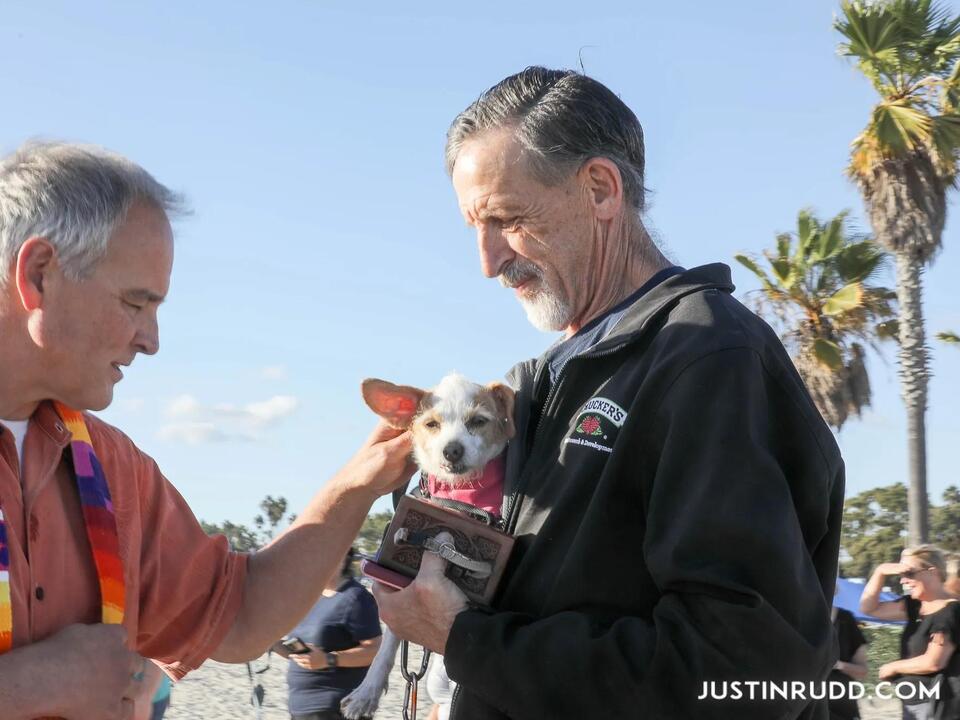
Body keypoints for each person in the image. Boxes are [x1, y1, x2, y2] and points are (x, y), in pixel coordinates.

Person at [372, 67, 845, 719]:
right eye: (473, 229)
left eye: (505, 220)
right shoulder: (530, 386)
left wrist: (467, 640)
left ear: (600, 189)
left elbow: (744, 671)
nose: (486, 261)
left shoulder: (706, 356)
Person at [0, 142, 414, 719]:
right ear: (39, 274)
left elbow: (238, 616)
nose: (151, 340)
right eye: (134, 303)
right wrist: (32, 686)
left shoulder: (111, 468)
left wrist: (361, 481)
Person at [272, 548, 382, 720]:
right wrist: (269, 644)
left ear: (343, 558)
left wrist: (329, 659)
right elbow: (301, 656)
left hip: (336, 708)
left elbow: (375, 651)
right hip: (300, 708)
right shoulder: (309, 598)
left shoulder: (356, 598)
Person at [860, 546, 960, 720]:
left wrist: (892, 667)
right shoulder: (915, 606)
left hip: (936, 706)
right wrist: (880, 572)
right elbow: (868, 608)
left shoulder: (950, 611)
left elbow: (933, 662)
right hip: (914, 703)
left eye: (909, 573)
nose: (903, 581)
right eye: (901, 575)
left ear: (932, 572)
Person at [829, 585, 868, 720]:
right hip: (806, 705)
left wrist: (838, 665)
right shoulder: (799, 619)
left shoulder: (846, 620)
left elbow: (862, 671)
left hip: (842, 707)